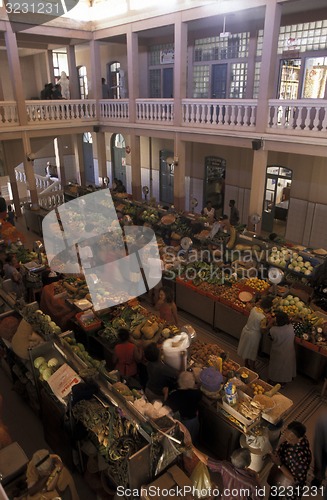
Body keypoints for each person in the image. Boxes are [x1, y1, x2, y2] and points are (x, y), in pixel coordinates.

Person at [194, 447, 263, 500]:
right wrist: (256, 479)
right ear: (246, 465)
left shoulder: (225, 467)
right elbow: (259, 497)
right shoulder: (252, 483)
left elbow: (206, 460)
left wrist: (192, 447)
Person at [269, 421, 311, 500]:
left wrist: (279, 464)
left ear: (300, 439)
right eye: (286, 434)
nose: (287, 439)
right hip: (280, 480)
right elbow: (285, 440)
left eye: (290, 438)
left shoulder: (300, 458)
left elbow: (294, 480)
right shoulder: (298, 438)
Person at [237, 296, 274, 370]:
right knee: (252, 352)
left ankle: (246, 363)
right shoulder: (263, 318)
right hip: (254, 335)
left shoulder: (254, 309)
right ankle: (252, 367)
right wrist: (269, 324)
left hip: (246, 330)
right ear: (267, 308)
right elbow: (263, 330)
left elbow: (254, 310)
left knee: (246, 348)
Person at [166, 371, 202, 443]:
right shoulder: (197, 393)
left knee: (184, 440)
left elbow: (168, 406)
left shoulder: (176, 395)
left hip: (182, 421)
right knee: (192, 439)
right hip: (193, 420)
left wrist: (166, 394)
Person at [268, 311, 296, 386]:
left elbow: (270, 337)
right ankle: (284, 382)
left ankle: (273, 381)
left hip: (278, 352)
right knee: (286, 367)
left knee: (276, 368)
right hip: (289, 351)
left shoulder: (273, 330)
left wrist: (270, 323)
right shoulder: (290, 327)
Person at [311, 409, 327, 498]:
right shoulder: (324, 419)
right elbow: (318, 442)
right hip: (324, 451)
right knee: (319, 468)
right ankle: (317, 479)